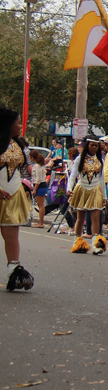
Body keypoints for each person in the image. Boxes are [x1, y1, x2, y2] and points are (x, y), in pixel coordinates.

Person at [0, 107, 34, 291]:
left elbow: (24, 169)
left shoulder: (19, 144)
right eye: (18, 123)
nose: (21, 126)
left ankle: (13, 272)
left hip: (13, 193)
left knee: (11, 235)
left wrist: (26, 187)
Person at [66, 136, 108, 255]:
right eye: (92, 145)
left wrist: (104, 196)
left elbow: (101, 179)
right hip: (82, 188)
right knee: (80, 217)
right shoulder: (80, 159)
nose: (94, 147)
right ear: (87, 146)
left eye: (96, 145)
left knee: (95, 217)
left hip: (96, 189)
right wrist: (69, 188)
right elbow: (73, 175)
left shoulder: (100, 160)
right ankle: (77, 241)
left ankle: (96, 244)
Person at [29, 151, 48, 228]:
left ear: (32, 157)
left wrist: (35, 189)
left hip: (40, 186)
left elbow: (38, 179)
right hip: (41, 185)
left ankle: (41, 222)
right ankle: (40, 222)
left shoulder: (37, 166)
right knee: (40, 205)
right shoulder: (39, 165)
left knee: (40, 205)